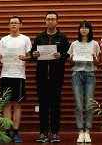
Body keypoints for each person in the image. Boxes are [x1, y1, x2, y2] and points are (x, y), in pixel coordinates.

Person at [32, 11, 70, 143]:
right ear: (45, 21)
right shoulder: (40, 37)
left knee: (55, 106)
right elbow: (32, 53)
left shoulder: (63, 38)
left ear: (57, 21)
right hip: (42, 77)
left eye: (53, 19)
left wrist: (61, 56)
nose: (50, 21)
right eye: (48, 19)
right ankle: (43, 132)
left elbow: (68, 54)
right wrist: (34, 55)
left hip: (56, 77)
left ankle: (54, 132)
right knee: (43, 106)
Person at [0, 16, 32, 143]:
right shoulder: (4, 39)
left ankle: (16, 132)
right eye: (11, 23)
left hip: (19, 75)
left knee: (17, 104)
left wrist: (25, 58)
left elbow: (29, 56)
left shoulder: (25, 39)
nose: (13, 25)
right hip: (5, 75)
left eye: (16, 23)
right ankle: (6, 131)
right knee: (6, 104)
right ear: (8, 25)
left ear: (20, 24)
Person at [68, 21, 100, 144]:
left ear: (90, 30)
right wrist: (71, 59)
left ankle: (88, 131)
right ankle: (80, 131)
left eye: (86, 28)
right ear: (79, 30)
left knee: (89, 105)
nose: (84, 30)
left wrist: (95, 58)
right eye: (82, 27)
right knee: (78, 104)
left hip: (90, 75)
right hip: (77, 74)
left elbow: (97, 63)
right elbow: (71, 63)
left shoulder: (95, 44)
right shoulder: (74, 44)